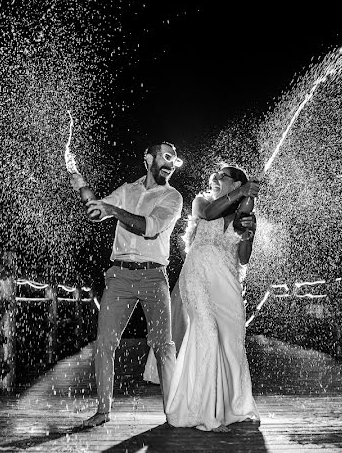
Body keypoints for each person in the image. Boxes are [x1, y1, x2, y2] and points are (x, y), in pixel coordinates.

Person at [70, 142, 185, 428]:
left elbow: (149, 227)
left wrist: (113, 210)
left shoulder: (173, 197)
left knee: (163, 346)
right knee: (104, 344)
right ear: (148, 158)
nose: (171, 164)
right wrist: (82, 187)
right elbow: (97, 213)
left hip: (153, 276)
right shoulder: (127, 190)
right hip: (119, 276)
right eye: (166, 157)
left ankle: (173, 413)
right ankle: (102, 411)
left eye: (175, 160)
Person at [163, 164, 261, 432]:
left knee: (231, 343)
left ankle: (233, 407)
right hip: (197, 275)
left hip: (227, 281)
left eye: (223, 176)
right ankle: (207, 414)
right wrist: (241, 191)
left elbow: (243, 257)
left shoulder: (244, 214)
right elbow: (207, 214)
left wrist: (249, 235)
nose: (216, 178)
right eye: (216, 175)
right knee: (206, 333)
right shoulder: (202, 202)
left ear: (236, 183)